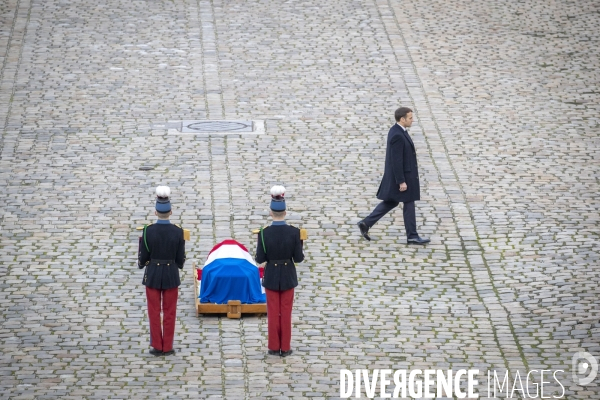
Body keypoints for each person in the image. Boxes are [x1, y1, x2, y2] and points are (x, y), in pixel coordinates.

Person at [357, 107, 430, 244]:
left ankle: (366, 223)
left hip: (402, 175)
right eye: (410, 118)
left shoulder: (397, 131)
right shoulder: (397, 134)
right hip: (403, 176)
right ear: (402, 119)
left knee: (392, 201)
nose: (412, 120)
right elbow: (396, 160)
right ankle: (412, 235)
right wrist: (401, 181)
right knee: (408, 203)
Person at [255, 185, 304, 357]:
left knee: (273, 313)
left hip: (271, 277)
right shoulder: (294, 232)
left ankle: (274, 347)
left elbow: (259, 258)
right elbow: (298, 258)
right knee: (286, 313)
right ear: (285, 212)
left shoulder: (264, 233)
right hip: (288, 276)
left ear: (271, 212)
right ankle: (286, 346)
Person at [138, 186, 186, 356]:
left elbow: (143, 257)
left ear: (155, 212)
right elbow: (180, 259)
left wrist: (142, 263)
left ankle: (157, 345)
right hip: (171, 274)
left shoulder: (147, 231)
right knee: (170, 311)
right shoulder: (178, 231)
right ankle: (168, 346)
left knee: (153, 311)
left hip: (153, 275)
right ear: (170, 212)